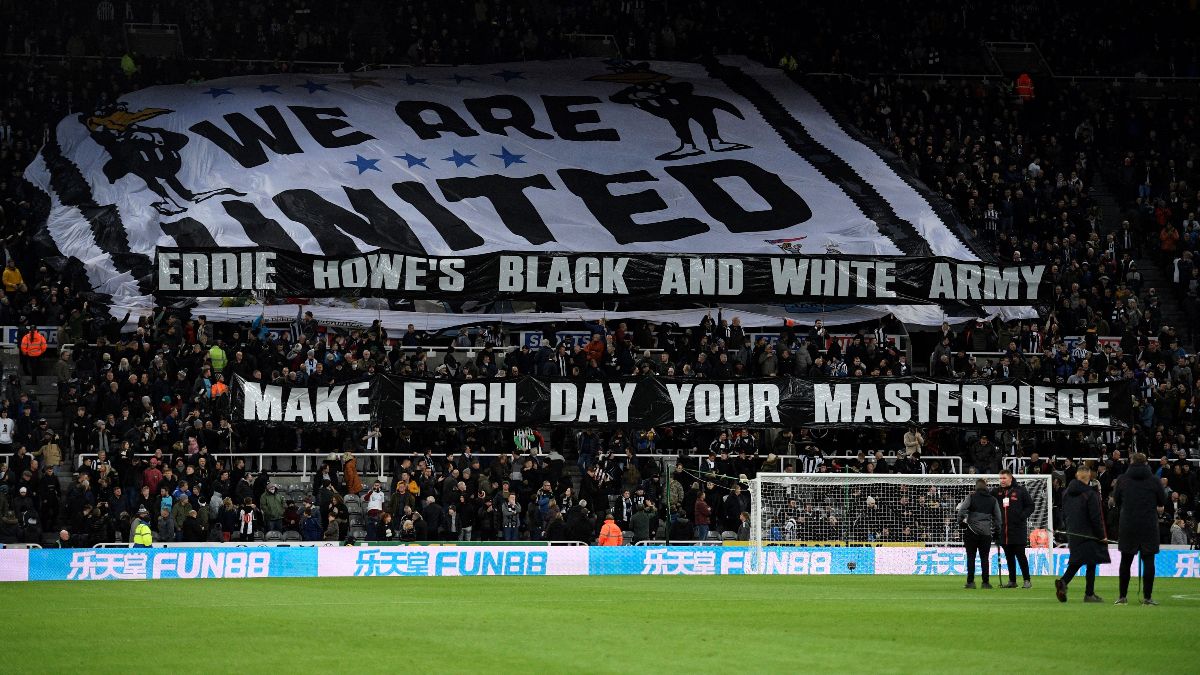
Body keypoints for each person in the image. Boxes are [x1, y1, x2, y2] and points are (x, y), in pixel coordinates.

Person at [1113, 453, 1166, 605]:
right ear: (1146, 463)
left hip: (1128, 524)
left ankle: (1122, 597)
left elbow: (1116, 500)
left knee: (1126, 561)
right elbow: (1162, 500)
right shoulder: (1154, 480)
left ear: (1131, 462)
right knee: (1149, 561)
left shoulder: (1123, 479)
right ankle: (1147, 598)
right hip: (1148, 525)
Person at [1055, 463, 1110, 603]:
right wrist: (1102, 535)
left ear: (1076, 476)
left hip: (1073, 532)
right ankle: (1089, 594)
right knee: (1091, 562)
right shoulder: (1091, 494)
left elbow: (1065, 513)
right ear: (1090, 477)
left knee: (1077, 561)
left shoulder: (1066, 493)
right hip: (1089, 533)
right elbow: (1096, 517)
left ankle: (1064, 582)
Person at [993, 470, 1035, 588]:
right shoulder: (997, 492)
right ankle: (1012, 581)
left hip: (1018, 530)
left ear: (1010, 478)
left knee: (1021, 555)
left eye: (1004, 478)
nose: (1002, 480)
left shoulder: (1021, 491)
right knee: (1009, 556)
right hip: (1004, 530)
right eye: (1000, 478)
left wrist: (1022, 516)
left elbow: (1031, 506)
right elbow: (988, 499)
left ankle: (1027, 580)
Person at [956, 478, 1001, 589]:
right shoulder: (993, 500)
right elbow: (998, 518)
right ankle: (985, 582)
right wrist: (997, 532)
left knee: (971, 557)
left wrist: (961, 522)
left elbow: (962, 510)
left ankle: (970, 582)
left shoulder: (971, 497)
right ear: (986, 487)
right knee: (984, 558)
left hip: (971, 531)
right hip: (986, 533)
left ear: (976, 487)